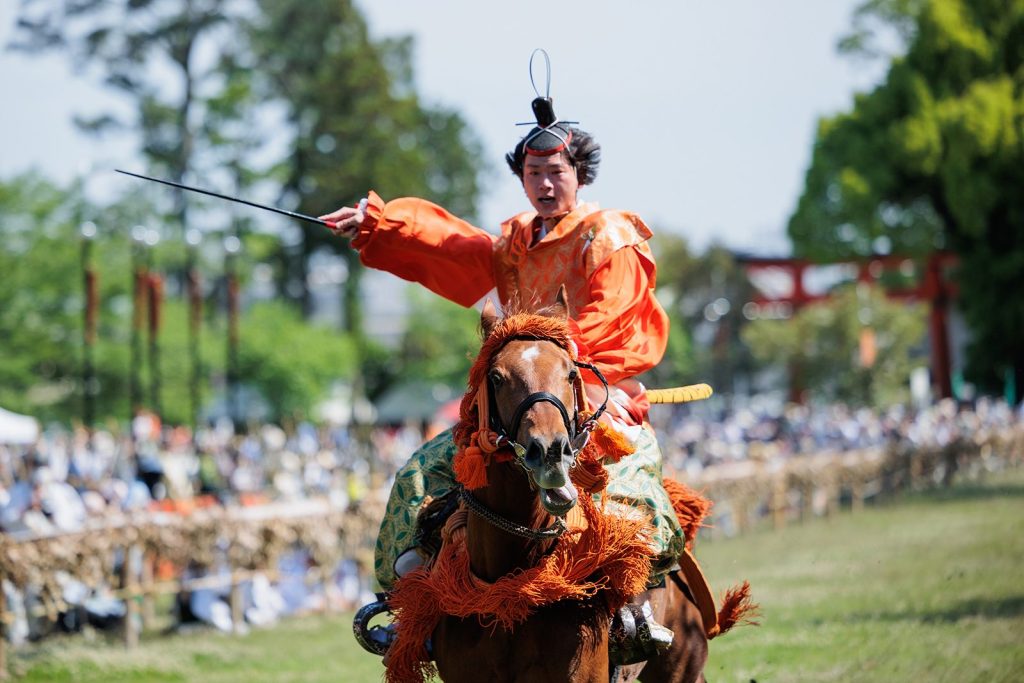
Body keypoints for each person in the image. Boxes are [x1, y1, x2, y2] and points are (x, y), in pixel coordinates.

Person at [322, 67, 685, 658]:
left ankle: (635, 608)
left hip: (589, 389)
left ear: (578, 175)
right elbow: (452, 249)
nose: (545, 184)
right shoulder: (515, 241)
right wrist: (378, 225)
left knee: (633, 478)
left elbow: (614, 318)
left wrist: (563, 367)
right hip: (514, 400)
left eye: (556, 173)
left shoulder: (609, 235)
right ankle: (416, 604)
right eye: (534, 173)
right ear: (522, 178)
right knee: (421, 472)